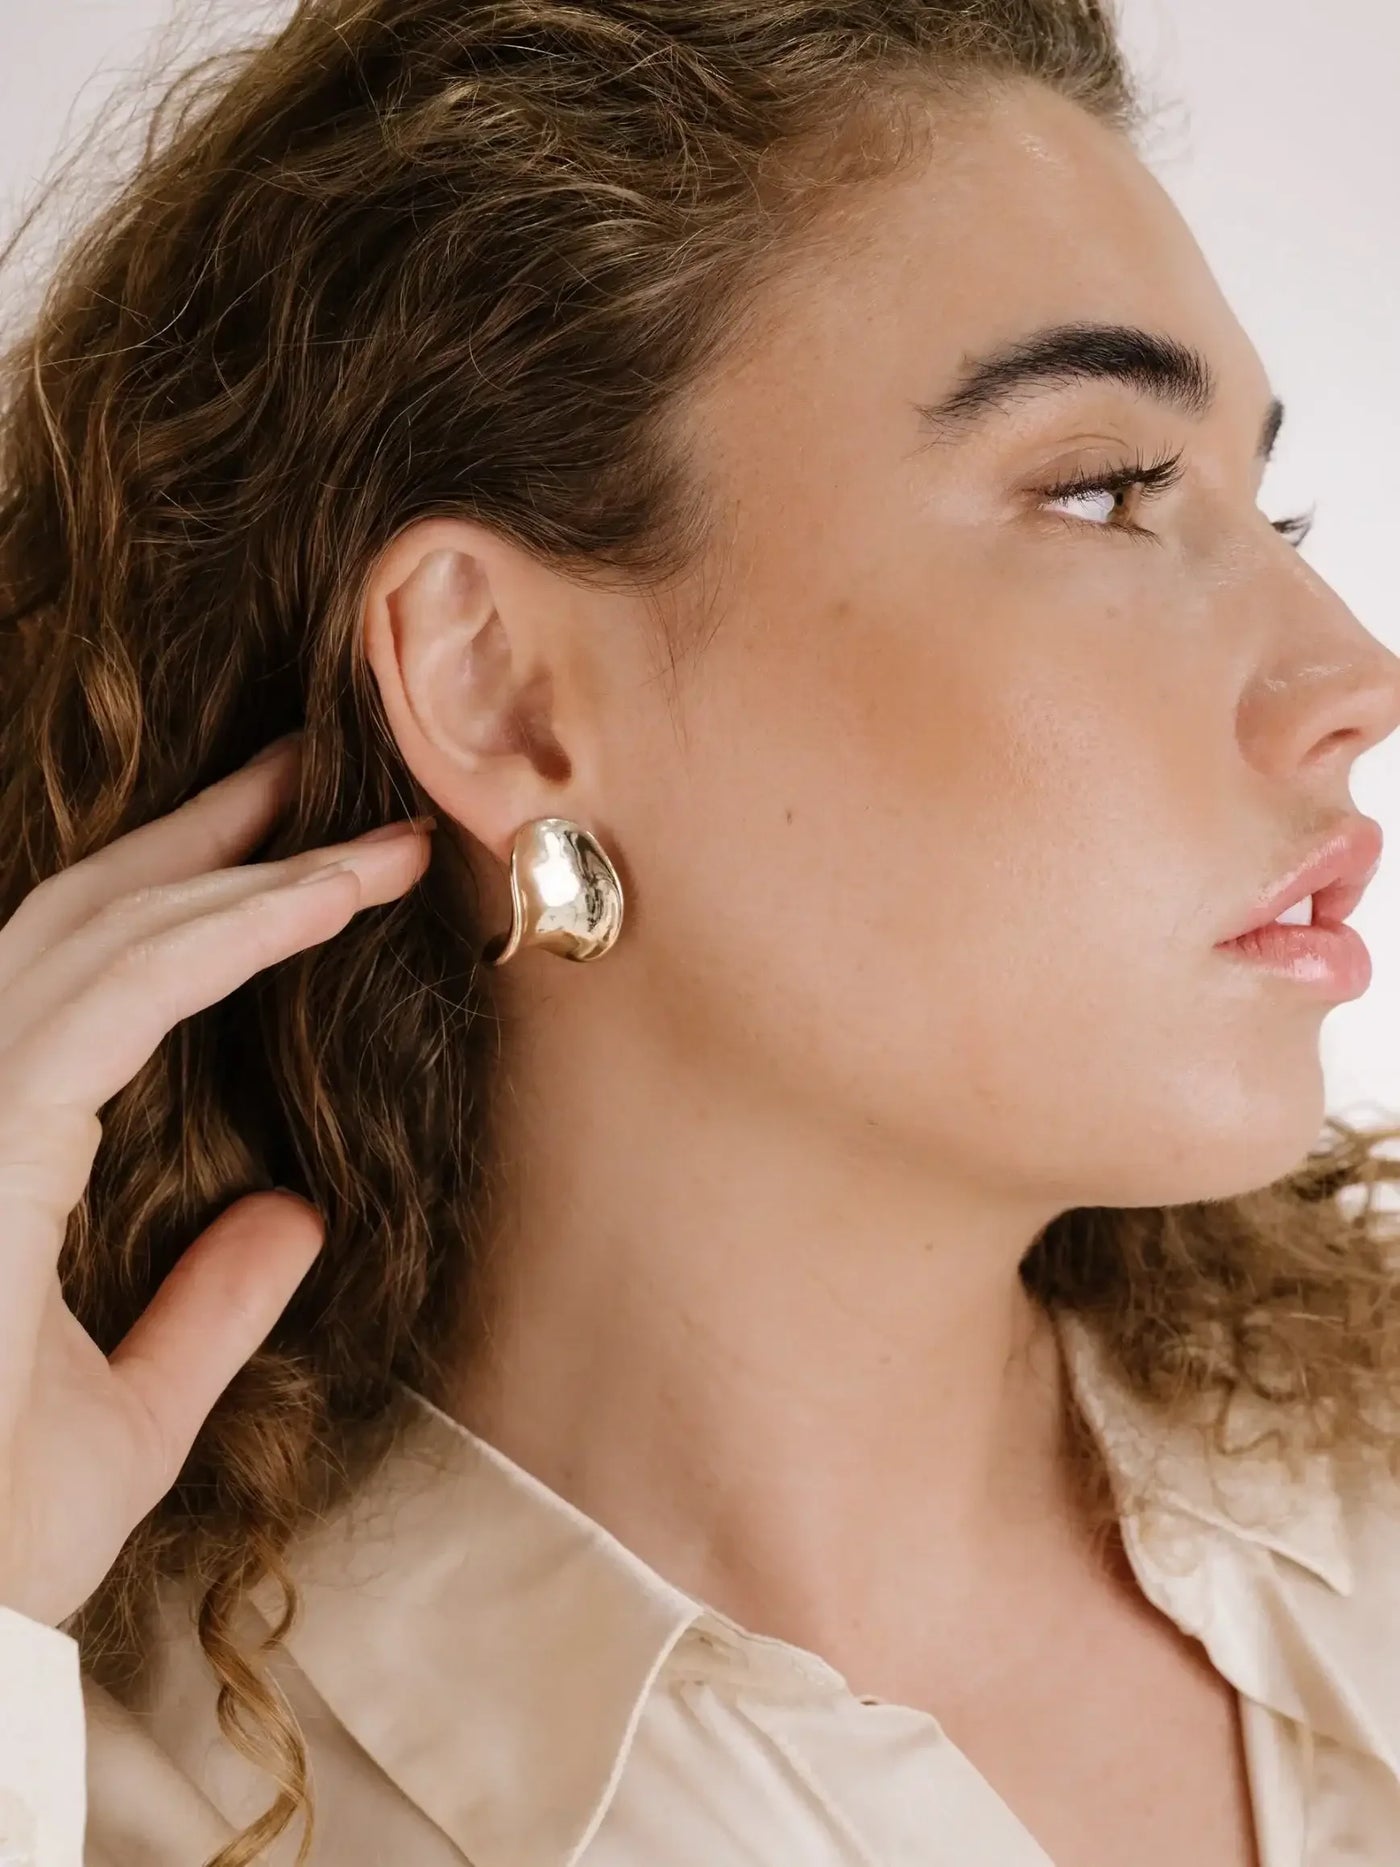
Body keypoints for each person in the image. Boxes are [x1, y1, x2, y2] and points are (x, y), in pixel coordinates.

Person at [3, 1, 1400, 1862]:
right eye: (1105, 490)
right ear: (504, 696)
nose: (1352, 679)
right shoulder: (132, 1803)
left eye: (1267, 501)